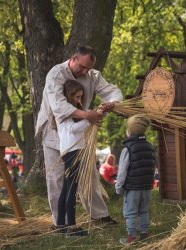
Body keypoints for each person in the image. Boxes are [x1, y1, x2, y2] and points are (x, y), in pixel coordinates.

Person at [35, 45, 123, 228]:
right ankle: (61, 222)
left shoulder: (93, 76)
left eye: (88, 68)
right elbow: (58, 106)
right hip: (53, 132)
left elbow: (112, 91)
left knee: (88, 174)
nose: (85, 71)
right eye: (82, 66)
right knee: (56, 178)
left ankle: (99, 216)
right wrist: (88, 116)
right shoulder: (56, 73)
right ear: (73, 58)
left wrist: (111, 104)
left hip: (78, 135)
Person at [56, 80, 91, 236]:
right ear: (69, 95)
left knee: (66, 188)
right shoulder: (65, 111)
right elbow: (72, 129)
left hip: (73, 150)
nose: (79, 100)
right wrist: (90, 119)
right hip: (72, 152)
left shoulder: (76, 110)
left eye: (80, 97)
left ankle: (61, 225)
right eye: (77, 97)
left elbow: (86, 117)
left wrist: (97, 113)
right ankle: (72, 227)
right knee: (71, 188)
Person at [115, 114, 156, 244]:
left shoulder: (127, 148)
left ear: (129, 131)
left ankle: (131, 237)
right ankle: (145, 234)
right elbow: (152, 166)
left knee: (131, 212)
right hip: (147, 187)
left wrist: (118, 186)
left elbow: (122, 171)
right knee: (144, 211)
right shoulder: (150, 146)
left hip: (133, 187)